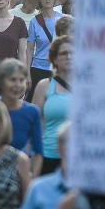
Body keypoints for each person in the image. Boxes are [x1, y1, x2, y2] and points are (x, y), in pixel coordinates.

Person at [32, 37, 72, 174]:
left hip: (78, 158)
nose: (69, 56)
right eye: (63, 53)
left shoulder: (88, 88)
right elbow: (35, 124)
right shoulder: (44, 86)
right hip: (48, 155)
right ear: (54, 59)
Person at [26, 0, 60, 94]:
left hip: (58, 68)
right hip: (38, 69)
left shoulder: (63, 19)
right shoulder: (34, 21)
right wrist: (27, 74)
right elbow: (29, 49)